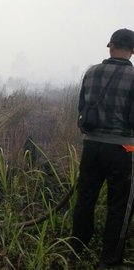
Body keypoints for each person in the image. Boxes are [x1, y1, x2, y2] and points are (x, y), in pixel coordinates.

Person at [71, 28, 134, 268]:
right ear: (133, 50)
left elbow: (81, 108)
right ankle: (109, 260)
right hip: (122, 149)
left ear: (110, 45)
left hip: (91, 146)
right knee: (119, 205)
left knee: (85, 198)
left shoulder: (91, 72)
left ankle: (76, 247)